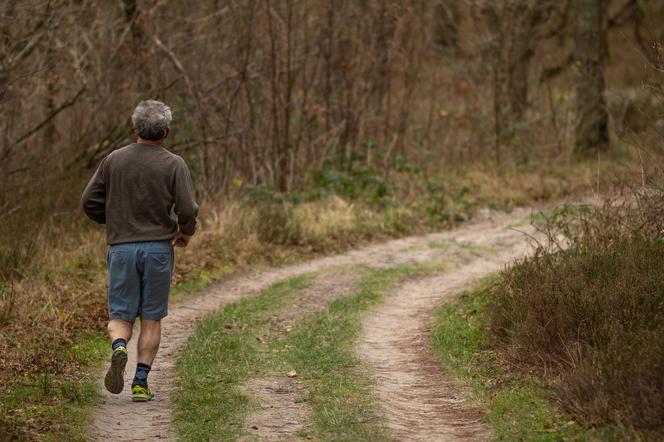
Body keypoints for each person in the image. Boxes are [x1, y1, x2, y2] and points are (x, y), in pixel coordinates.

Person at [81, 100, 199, 402]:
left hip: (121, 249)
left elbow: (89, 202)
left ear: (135, 128)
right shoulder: (174, 164)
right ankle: (140, 384)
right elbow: (187, 208)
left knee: (120, 315)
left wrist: (115, 221)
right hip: (158, 250)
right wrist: (185, 231)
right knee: (151, 318)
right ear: (167, 131)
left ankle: (119, 347)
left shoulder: (113, 161)